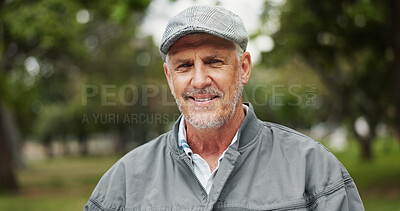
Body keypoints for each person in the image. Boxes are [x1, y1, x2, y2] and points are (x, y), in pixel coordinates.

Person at [84, 5, 364, 211]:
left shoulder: (313, 168)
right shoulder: (124, 180)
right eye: (184, 66)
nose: (199, 80)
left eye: (214, 61)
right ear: (170, 79)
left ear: (243, 69)